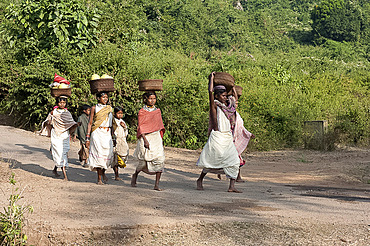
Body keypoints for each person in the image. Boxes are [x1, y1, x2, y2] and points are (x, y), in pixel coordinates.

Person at [196, 72, 241, 192]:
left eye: (226, 95)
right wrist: (211, 79)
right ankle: (200, 180)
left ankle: (231, 187)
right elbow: (210, 92)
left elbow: (235, 98)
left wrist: (232, 87)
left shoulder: (228, 106)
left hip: (227, 137)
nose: (226, 97)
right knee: (210, 162)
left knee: (235, 161)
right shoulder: (215, 106)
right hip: (217, 137)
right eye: (223, 96)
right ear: (217, 96)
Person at [131, 91, 165, 191]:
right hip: (145, 137)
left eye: (154, 98)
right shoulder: (142, 112)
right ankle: (135, 175)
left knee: (160, 160)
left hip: (156, 137)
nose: (152, 101)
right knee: (143, 162)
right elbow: (141, 126)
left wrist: (160, 139)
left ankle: (156, 184)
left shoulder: (157, 111)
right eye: (150, 98)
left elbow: (159, 125)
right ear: (145, 99)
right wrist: (145, 140)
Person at [85, 92, 115, 185]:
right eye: (103, 97)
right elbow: (90, 123)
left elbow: (113, 123)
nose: (105, 99)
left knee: (107, 154)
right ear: (98, 98)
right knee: (98, 154)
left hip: (107, 133)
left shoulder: (109, 108)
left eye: (106, 97)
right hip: (97, 133)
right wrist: (87, 137)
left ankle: (103, 173)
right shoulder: (94, 108)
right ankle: (99, 178)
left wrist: (113, 136)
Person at [47, 96, 78, 181]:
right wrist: (49, 132)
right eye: (60, 102)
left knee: (63, 153)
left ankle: (55, 170)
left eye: (64, 103)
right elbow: (48, 122)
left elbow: (70, 123)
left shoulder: (67, 112)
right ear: (57, 103)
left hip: (64, 134)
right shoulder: (53, 112)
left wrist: (76, 125)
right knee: (59, 152)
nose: (62, 104)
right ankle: (65, 175)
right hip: (56, 134)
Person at [112, 106, 129, 181]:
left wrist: (124, 127)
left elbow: (126, 133)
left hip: (123, 141)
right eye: (118, 113)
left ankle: (119, 168)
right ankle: (116, 174)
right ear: (115, 113)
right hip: (115, 141)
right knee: (115, 158)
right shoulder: (113, 122)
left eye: (121, 113)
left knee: (123, 156)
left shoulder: (123, 122)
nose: (120, 115)